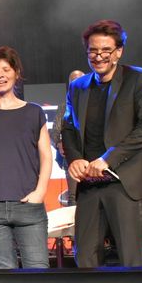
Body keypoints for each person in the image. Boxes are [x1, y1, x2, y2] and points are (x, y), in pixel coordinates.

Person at [61, 19, 142, 267]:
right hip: (88, 185)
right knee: (85, 258)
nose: (99, 56)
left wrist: (108, 159)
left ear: (118, 52)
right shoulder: (78, 86)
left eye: (106, 50)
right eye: (93, 51)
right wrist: (74, 158)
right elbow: (69, 127)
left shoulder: (137, 79)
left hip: (124, 182)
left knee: (131, 259)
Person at [0, 46, 52, 269]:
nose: (1, 75)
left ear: (16, 73)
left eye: (6, 69)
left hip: (28, 204)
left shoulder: (33, 112)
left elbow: (46, 156)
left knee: (37, 269)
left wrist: (40, 192)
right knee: (4, 273)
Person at [50, 70, 86, 205]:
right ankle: (74, 227)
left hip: (94, 156)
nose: (77, 83)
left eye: (80, 80)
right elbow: (54, 131)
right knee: (73, 196)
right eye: (73, 81)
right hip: (72, 157)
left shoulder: (95, 102)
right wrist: (59, 143)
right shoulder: (65, 107)